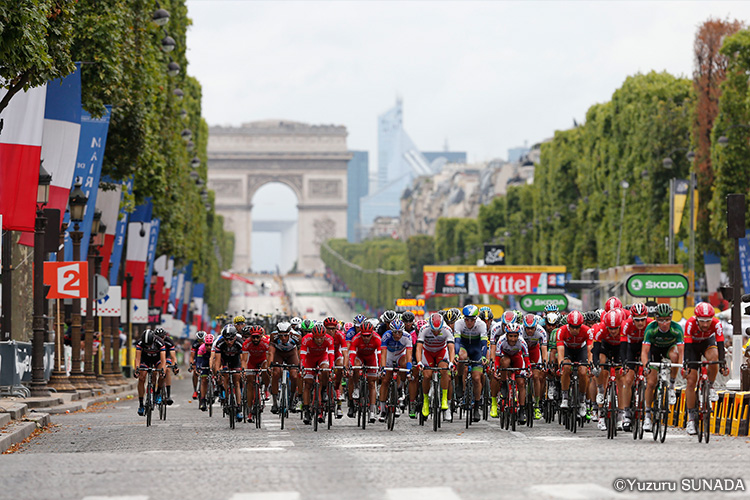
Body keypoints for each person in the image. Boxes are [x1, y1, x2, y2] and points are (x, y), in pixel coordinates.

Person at [683, 301, 728, 435]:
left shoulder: (717, 323)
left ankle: (711, 386)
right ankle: (691, 419)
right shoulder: (690, 323)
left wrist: (722, 364)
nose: (704, 324)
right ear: (696, 318)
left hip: (707, 343)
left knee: (714, 357)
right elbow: (687, 347)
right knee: (691, 381)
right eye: (702, 321)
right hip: (692, 347)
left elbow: (720, 343)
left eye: (707, 321)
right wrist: (687, 364)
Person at [640, 303, 684, 433]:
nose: (664, 323)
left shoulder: (677, 328)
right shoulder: (650, 329)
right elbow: (644, 352)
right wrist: (646, 366)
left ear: (671, 318)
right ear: (656, 319)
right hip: (654, 351)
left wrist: (682, 367)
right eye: (661, 320)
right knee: (651, 383)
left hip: (668, 349)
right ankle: (647, 415)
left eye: (667, 320)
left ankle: (671, 385)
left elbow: (681, 352)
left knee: (675, 357)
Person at [416, 312, 455, 421]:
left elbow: (451, 348)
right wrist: (419, 362)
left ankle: (444, 399)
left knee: (444, 371)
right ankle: (425, 401)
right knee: (427, 376)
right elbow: (419, 347)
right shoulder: (424, 329)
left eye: (438, 330)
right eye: (433, 330)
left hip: (441, 352)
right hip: (427, 352)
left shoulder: (447, 329)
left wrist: (451, 362)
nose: (436, 332)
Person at [453, 304, 488, 422]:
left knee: (477, 378)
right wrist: (456, 354)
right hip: (463, 346)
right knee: (462, 357)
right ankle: (459, 383)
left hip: (476, 349)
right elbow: (457, 341)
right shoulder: (459, 324)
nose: (469, 322)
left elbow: (484, 344)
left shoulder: (481, 325)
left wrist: (483, 357)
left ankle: (477, 407)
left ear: (476, 319)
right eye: (466, 319)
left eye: (471, 320)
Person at [492, 322, 531, 424]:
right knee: (505, 362)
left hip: (517, 358)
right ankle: (504, 384)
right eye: (511, 336)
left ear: (518, 335)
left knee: (521, 383)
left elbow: (527, 360)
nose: (513, 339)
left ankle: (522, 410)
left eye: (515, 336)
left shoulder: (522, 342)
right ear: (506, 334)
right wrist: (497, 370)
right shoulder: (501, 341)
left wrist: (528, 370)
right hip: (505, 357)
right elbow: (497, 359)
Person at [556, 310, 591, 418]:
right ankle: (565, 397)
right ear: (568, 325)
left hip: (581, 349)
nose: (575, 330)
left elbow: (590, 350)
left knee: (583, 371)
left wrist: (589, 364)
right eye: (572, 327)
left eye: (577, 327)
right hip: (568, 350)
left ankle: (582, 401)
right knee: (566, 367)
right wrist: (561, 365)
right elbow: (560, 352)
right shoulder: (561, 331)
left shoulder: (587, 331)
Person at [378, 319, 412, 422]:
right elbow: (383, 354)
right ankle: (383, 410)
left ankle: (400, 388)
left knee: (403, 364)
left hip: (400, 355)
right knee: (385, 380)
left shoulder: (407, 337)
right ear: (391, 331)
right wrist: (383, 368)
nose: (397, 335)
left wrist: (408, 370)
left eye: (399, 332)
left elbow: (409, 356)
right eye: (395, 332)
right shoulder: (386, 336)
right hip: (388, 355)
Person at [300, 324, 335, 425]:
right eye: (317, 338)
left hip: (322, 358)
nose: (319, 341)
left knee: (325, 370)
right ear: (313, 336)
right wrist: (302, 367)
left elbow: (331, 355)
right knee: (307, 384)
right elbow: (302, 355)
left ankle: (324, 389)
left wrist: (331, 368)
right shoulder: (306, 339)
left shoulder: (329, 339)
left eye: (321, 338)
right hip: (309, 360)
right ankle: (306, 410)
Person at [348, 321, 382, 422]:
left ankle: (372, 410)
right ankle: (357, 387)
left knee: (372, 383)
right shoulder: (356, 339)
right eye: (364, 336)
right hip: (359, 356)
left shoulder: (377, 339)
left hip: (371, 358)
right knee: (356, 367)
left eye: (368, 336)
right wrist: (351, 367)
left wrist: (381, 368)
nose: (366, 338)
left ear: (372, 333)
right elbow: (352, 355)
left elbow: (380, 355)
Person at [211, 324, 243, 421]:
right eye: (226, 339)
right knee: (225, 377)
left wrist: (242, 371)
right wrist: (217, 373)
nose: (229, 342)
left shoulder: (239, 342)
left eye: (231, 339)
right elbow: (217, 362)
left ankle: (238, 407)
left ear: (235, 337)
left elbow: (243, 360)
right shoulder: (220, 343)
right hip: (224, 359)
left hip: (236, 359)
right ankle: (226, 395)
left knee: (236, 381)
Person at [269, 322, 300, 414]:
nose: (283, 338)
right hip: (279, 353)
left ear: (290, 334)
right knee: (275, 373)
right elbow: (271, 352)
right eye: (281, 336)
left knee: (294, 375)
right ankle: (274, 402)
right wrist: (270, 365)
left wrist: (300, 364)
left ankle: (292, 399)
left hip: (292, 353)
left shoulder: (296, 337)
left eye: (285, 336)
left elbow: (300, 352)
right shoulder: (273, 336)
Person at [241, 325, 270, 424]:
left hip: (263, 361)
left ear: (261, 336)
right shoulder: (246, 343)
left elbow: (269, 357)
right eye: (253, 337)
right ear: (250, 337)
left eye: (258, 337)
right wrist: (244, 370)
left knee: (266, 369)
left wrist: (268, 368)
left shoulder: (266, 343)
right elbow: (244, 360)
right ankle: (249, 410)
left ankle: (266, 389)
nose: (256, 339)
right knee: (250, 384)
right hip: (252, 363)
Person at [134, 329, 166, 416]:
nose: (148, 346)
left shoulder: (159, 342)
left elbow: (163, 360)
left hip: (157, 359)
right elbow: (137, 358)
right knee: (141, 378)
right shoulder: (140, 342)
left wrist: (163, 371)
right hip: (145, 360)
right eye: (146, 345)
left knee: (162, 374)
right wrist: (136, 370)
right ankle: (141, 404)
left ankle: (158, 392)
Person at [521, 313, 547, 420]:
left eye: (532, 328)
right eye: (528, 328)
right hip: (522, 352)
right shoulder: (519, 332)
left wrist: (544, 362)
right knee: (521, 377)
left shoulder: (541, 331)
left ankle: (536, 405)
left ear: (536, 327)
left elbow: (544, 349)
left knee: (536, 376)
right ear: (524, 327)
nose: (530, 331)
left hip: (534, 352)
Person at [154, 327, 178, 405]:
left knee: (167, 370)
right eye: (159, 337)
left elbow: (173, 356)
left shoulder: (169, 341)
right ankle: (154, 390)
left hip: (166, 356)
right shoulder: (153, 341)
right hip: (156, 357)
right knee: (154, 372)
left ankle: (168, 395)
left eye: (162, 337)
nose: (161, 339)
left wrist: (175, 366)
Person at [197, 334, 214, 411]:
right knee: (203, 380)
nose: (209, 347)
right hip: (204, 361)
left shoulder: (215, 348)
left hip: (213, 361)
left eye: (211, 345)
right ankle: (203, 400)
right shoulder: (201, 348)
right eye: (207, 345)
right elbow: (199, 361)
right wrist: (198, 368)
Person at [189, 331, 205, 399]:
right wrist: (192, 365)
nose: (200, 342)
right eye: (199, 340)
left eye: (202, 340)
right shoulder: (195, 344)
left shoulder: (208, 344)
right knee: (195, 373)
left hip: (205, 358)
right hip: (197, 359)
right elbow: (192, 357)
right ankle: (195, 390)